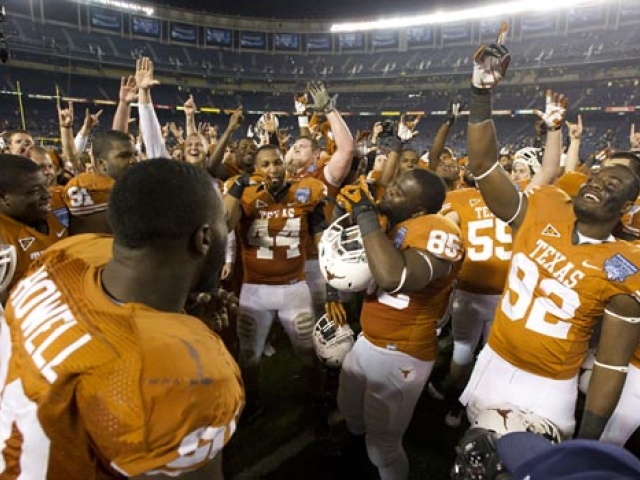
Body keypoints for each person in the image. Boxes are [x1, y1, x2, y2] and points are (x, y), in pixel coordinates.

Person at [0, 158, 244, 479]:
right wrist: (183, 343)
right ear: (204, 238)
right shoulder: (182, 373)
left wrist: (179, 321)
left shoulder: (68, 253)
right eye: (223, 223)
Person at [461, 37, 640, 439]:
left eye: (614, 183)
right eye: (597, 176)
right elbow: (483, 165)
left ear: (627, 208)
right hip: (493, 362)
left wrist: (587, 442)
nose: (597, 182)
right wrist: (480, 93)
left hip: (548, 388)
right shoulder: (544, 204)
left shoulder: (626, 266)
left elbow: (611, 365)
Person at [334, 170, 463, 479]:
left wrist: (364, 213)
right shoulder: (392, 224)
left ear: (419, 209)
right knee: (350, 410)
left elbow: (394, 278)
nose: (389, 191)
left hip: (401, 352)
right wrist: (346, 211)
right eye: (393, 185)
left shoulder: (438, 229)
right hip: (368, 340)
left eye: (400, 192)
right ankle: (356, 457)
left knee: (383, 445)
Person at [224, 144, 328, 425]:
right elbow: (224, 223)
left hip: (294, 287)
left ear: (285, 164)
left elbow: (322, 240)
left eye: (277, 163)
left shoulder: (306, 192)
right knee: (249, 356)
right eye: (266, 164)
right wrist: (237, 189)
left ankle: (319, 401)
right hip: (255, 289)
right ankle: (252, 403)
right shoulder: (244, 193)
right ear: (257, 169)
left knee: (307, 352)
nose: (273, 169)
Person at [0, 154, 68, 302]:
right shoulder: (3, 234)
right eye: (34, 190)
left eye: (45, 185)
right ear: (4, 197)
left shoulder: (59, 202)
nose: (47, 194)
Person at [62, 130, 137, 234]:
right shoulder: (86, 186)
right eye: (124, 156)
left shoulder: (133, 185)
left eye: (135, 154)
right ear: (102, 163)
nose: (134, 160)